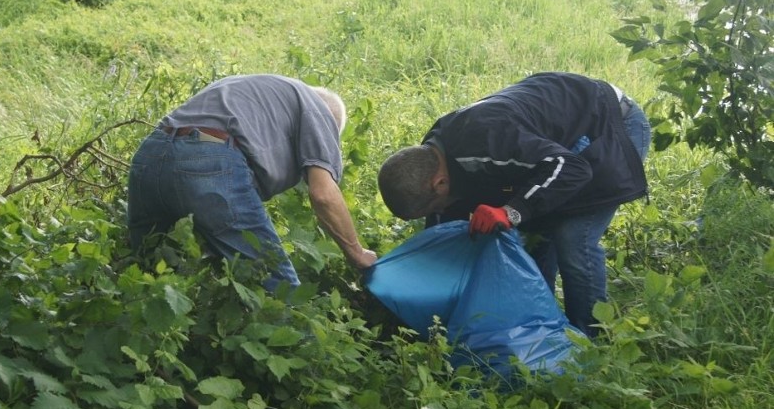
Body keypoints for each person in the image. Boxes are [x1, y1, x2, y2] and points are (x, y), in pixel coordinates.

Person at [377, 72, 650, 337]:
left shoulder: (490, 142)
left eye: (434, 207)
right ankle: (538, 324)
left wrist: (511, 211)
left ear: (439, 183)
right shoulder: (434, 156)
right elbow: (442, 231)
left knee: (572, 237)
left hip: (607, 125)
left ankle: (590, 340)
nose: (439, 212)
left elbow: (571, 168)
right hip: (555, 141)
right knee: (538, 238)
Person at [128, 74, 377, 291]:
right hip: (208, 161)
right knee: (277, 286)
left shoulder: (262, 91)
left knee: (149, 271)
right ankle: (291, 345)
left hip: (150, 154)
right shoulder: (318, 109)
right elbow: (323, 194)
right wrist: (357, 253)